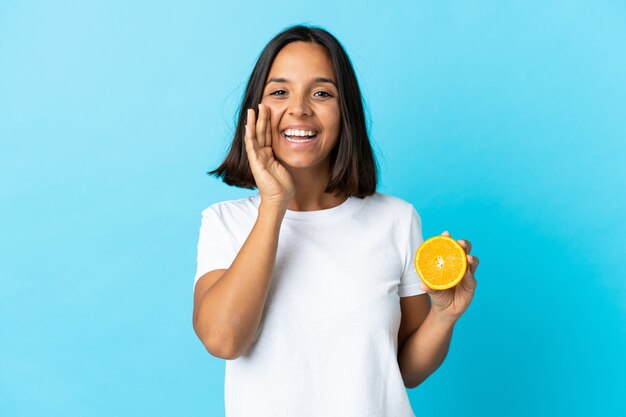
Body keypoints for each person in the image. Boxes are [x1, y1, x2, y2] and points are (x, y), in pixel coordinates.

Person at [192, 24, 479, 417]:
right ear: (255, 114)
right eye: (279, 92)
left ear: (346, 113)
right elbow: (223, 340)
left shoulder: (396, 219)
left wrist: (445, 314)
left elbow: (405, 370)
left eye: (322, 93)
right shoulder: (224, 223)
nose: (300, 109)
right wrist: (275, 203)